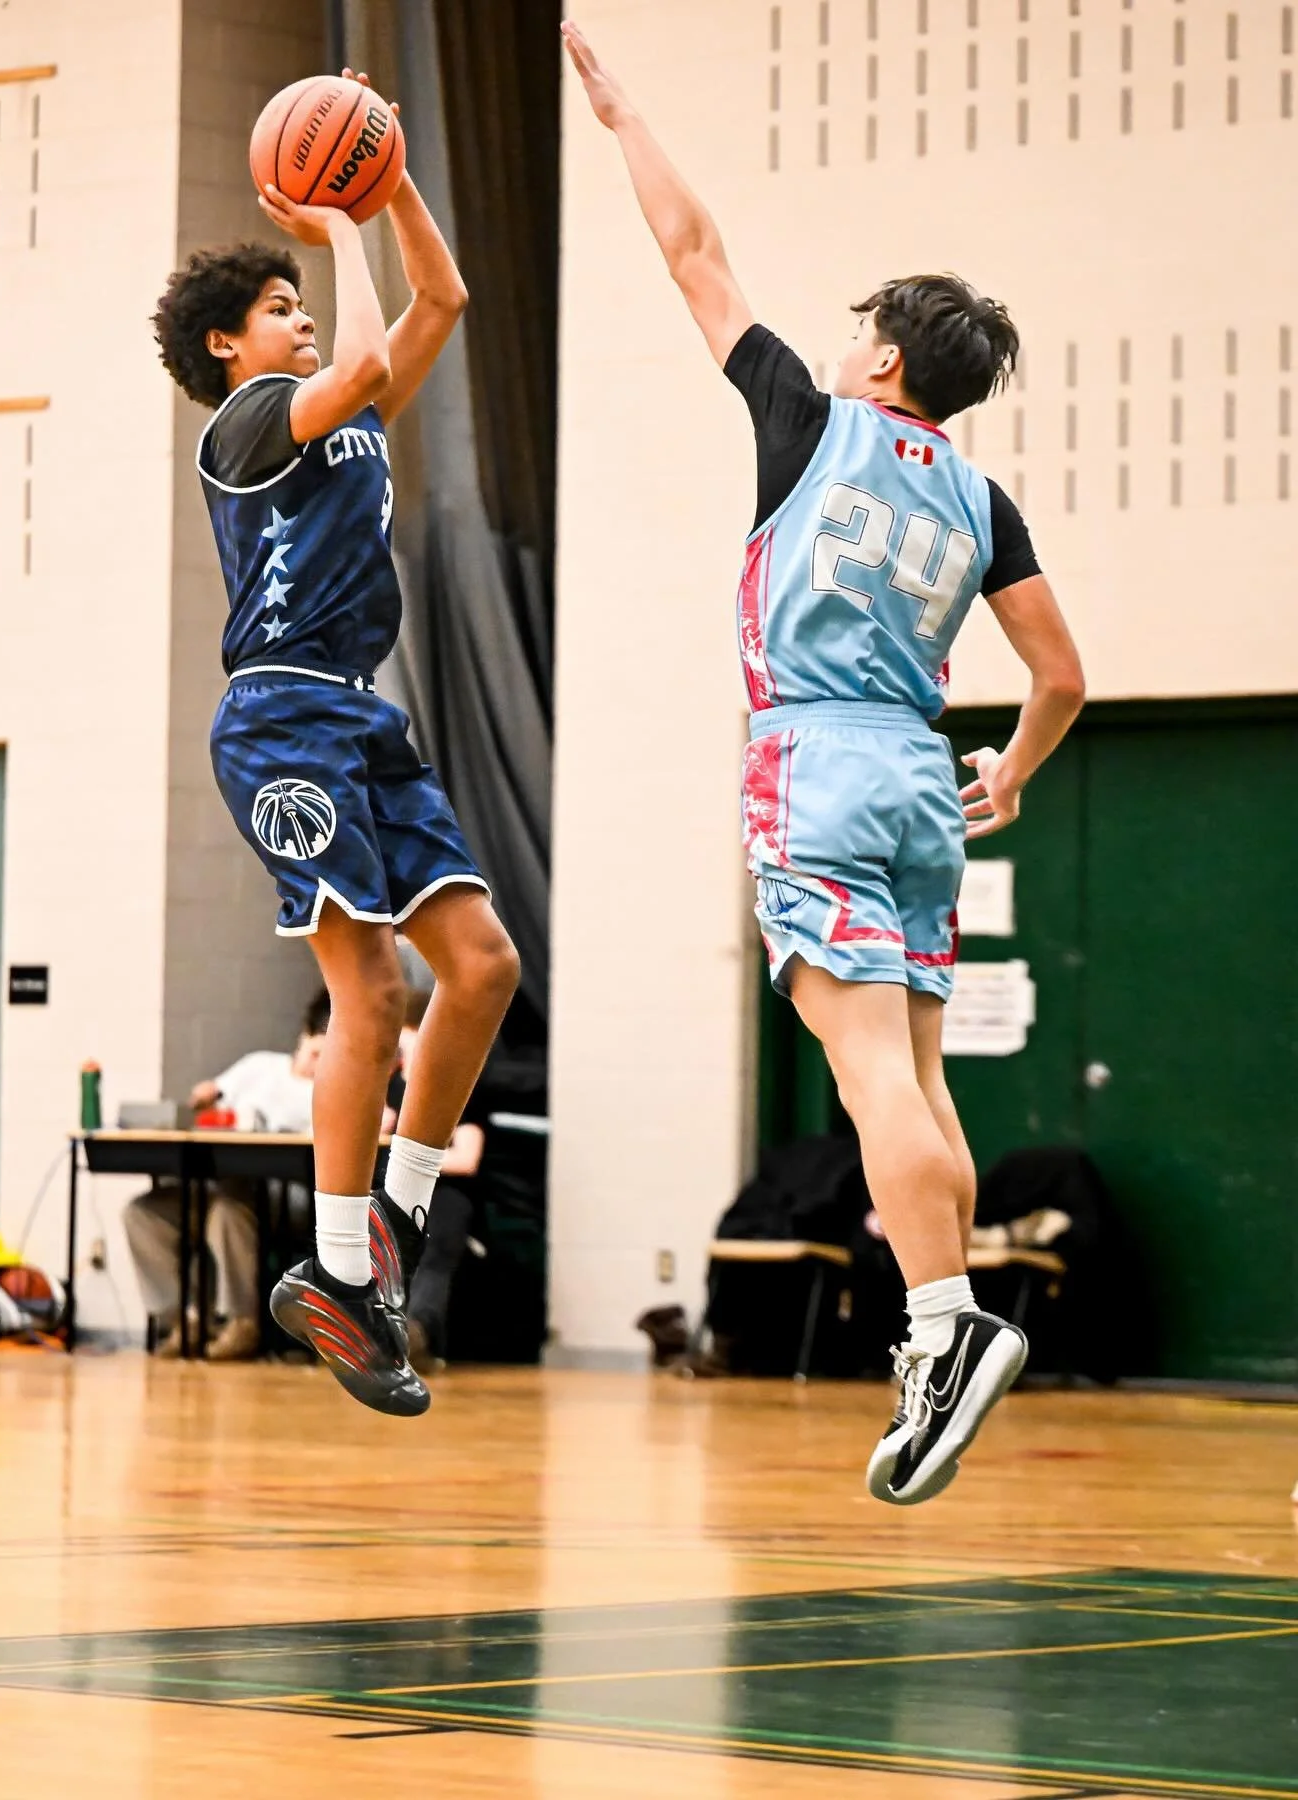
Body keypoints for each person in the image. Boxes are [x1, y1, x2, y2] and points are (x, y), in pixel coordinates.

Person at [563, 23, 1085, 1505]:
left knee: (868, 1079)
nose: (844, 336)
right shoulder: (985, 501)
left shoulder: (813, 421)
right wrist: (1017, 772)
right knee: (918, 1076)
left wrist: (622, 114)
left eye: (863, 325)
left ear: (888, 357)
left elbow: (693, 251)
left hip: (817, 760)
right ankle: (945, 1326)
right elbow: (1060, 677)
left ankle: (942, 1325)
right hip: (926, 782)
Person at [150, 71, 520, 1418]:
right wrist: (338, 227)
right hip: (281, 716)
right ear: (227, 353)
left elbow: (445, 310)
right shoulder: (247, 424)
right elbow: (365, 353)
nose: (300, 316)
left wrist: (391, 180)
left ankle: (388, 1235)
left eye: (300, 299)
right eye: (277, 309)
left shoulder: (338, 418)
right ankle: (333, 1262)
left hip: (361, 714)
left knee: (479, 967)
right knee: (368, 998)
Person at [123, 992, 330, 1361]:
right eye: (315, 1052)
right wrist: (203, 1096)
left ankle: (241, 1322)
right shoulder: (259, 1066)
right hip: (216, 1184)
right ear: (302, 1037)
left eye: (328, 1056)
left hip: (280, 1197)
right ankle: (181, 1321)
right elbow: (210, 1095)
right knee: (143, 1213)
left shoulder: (328, 1092)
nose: (317, 1064)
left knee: (227, 1212)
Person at [379, 995, 489, 1374]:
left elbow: (467, 1157)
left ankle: (419, 1331)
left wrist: (410, 1157)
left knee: (437, 1237)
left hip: (444, 1190)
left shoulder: (459, 1085)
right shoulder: (386, 1085)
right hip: (393, 1186)